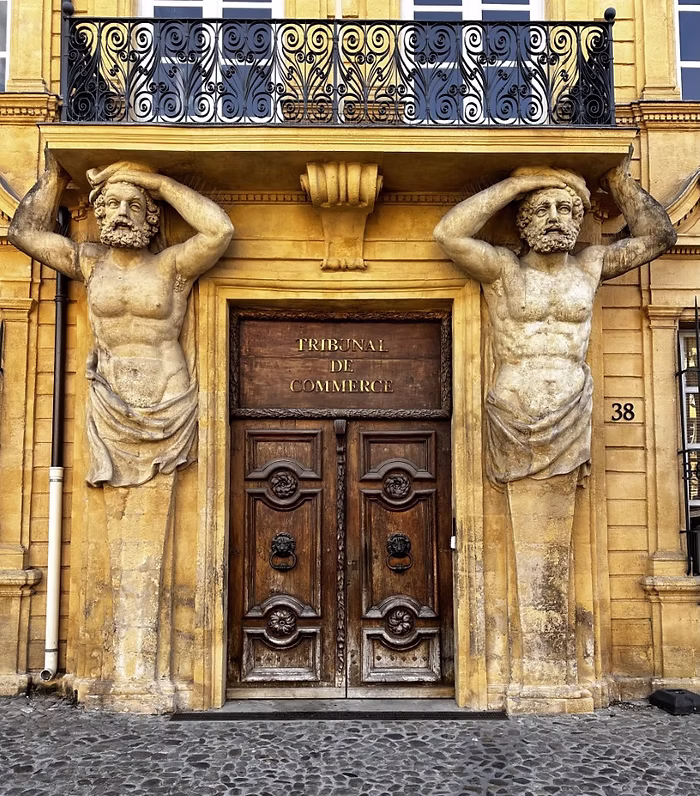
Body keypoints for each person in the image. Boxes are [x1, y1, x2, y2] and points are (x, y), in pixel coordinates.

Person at [433, 150, 676, 485]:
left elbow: (658, 237)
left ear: (577, 220)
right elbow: (448, 234)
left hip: (571, 407)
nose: (554, 218)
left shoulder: (590, 266)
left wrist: (617, 180)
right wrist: (519, 184)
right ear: (524, 221)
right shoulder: (505, 271)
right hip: (513, 408)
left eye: (564, 209)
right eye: (541, 209)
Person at [9, 152, 234, 487]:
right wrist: (56, 174)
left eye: (134, 205)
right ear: (100, 213)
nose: (122, 214)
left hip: (169, 402)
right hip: (110, 403)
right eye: (113, 204)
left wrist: (159, 184)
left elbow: (220, 230)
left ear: (151, 218)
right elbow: (23, 233)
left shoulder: (171, 268)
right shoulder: (89, 264)